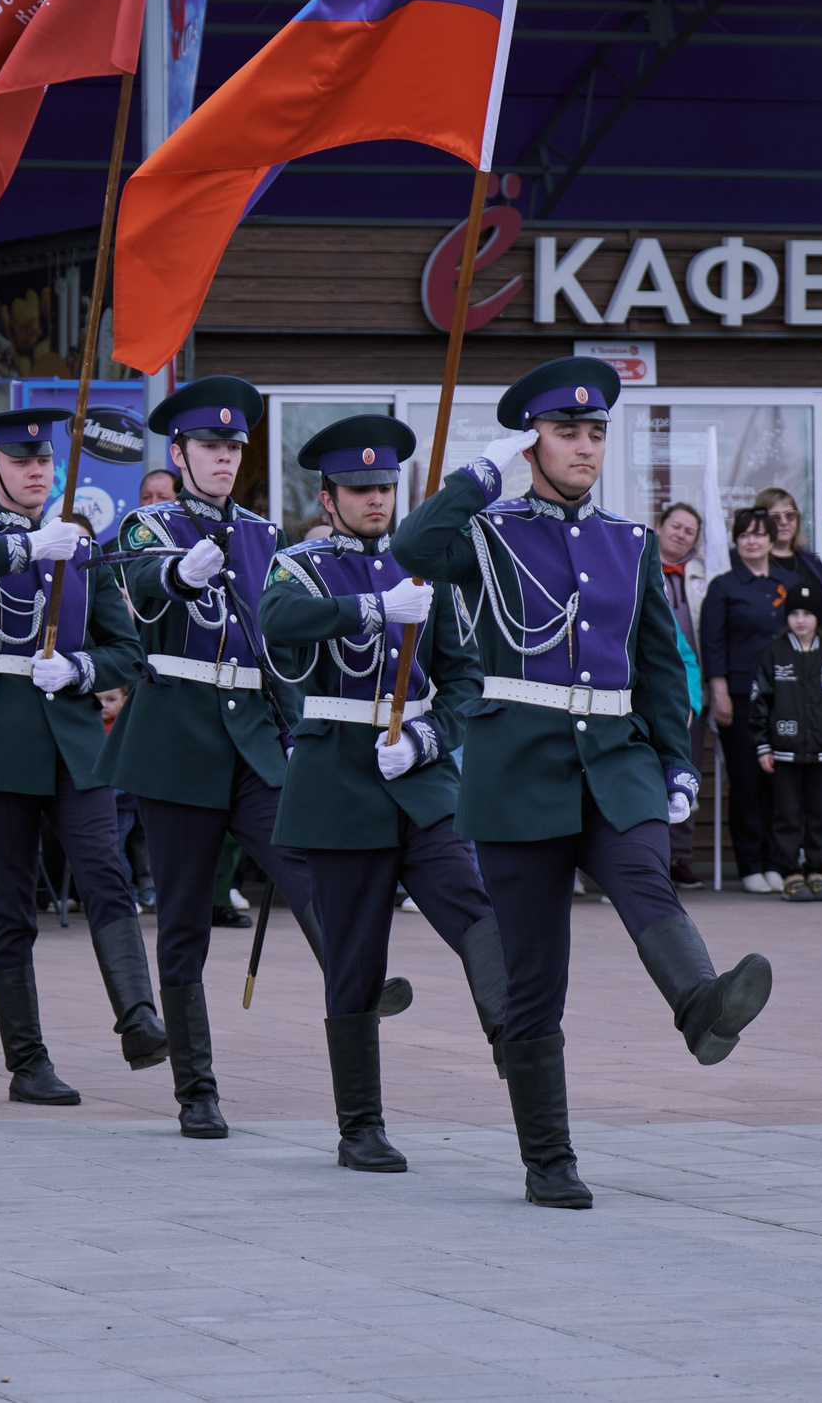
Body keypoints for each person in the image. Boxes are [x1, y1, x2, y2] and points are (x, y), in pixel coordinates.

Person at [392, 357, 769, 1210]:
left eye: (597, 432)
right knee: (534, 974)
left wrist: (674, 759)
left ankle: (702, 1005)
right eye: (568, 432)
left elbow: (658, 666)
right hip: (519, 763)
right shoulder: (486, 533)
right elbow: (413, 546)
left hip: (614, 755)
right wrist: (475, 477)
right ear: (533, 443)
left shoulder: (630, 543)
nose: (586, 447)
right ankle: (549, 1157)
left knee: (644, 876)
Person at [103, 379, 406, 1140]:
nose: (224, 458)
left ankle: (355, 974)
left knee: (304, 865)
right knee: (183, 922)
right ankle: (196, 1087)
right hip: (176, 731)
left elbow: (284, 645)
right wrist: (178, 572)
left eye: (234, 447)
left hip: (255, 731)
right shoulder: (151, 522)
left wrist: (303, 724)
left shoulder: (265, 535)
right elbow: (139, 582)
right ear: (179, 453)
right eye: (211, 446)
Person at [258, 414, 511, 1172]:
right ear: (328, 497)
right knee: (356, 958)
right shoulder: (300, 566)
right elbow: (276, 624)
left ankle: (513, 1040)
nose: (377, 499)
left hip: (420, 774)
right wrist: (371, 609)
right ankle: (359, 1125)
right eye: (361, 488)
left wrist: (431, 740)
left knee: (474, 906)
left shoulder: (425, 566)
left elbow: (464, 675)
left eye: (386, 487)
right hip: (338, 774)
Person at [0, 410, 162, 1106]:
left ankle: (139, 1018)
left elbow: (127, 649)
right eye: (19, 460)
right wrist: (29, 549)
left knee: (105, 873)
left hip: (72, 737)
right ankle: (27, 1061)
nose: (35, 469)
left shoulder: (81, 546)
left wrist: (84, 669)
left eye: (43, 460)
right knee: (10, 905)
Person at [744, 581, 822, 902]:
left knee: (818, 814)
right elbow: (759, 702)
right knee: (788, 814)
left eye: (808, 613)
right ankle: (790, 872)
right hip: (784, 752)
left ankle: (817, 870)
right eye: (794, 613)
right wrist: (763, 745)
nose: (801, 620)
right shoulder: (774, 653)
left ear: (818, 617)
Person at [700, 508, 787, 890]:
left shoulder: (790, 583)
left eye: (760, 534)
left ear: (772, 540)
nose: (752, 540)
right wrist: (720, 693)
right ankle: (750, 863)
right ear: (736, 541)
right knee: (747, 779)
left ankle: (776, 860)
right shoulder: (723, 587)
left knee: (781, 781)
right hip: (739, 696)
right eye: (745, 534)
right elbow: (712, 644)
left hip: (786, 697)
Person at [652, 501, 710, 886]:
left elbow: (687, 657)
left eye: (690, 531)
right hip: (633, 701)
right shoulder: (635, 567)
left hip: (682, 696)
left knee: (680, 778)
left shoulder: (701, 574)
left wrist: (690, 701)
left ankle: (678, 858)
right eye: (676, 526)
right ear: (659, 526)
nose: (681, 534)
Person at [751, 488, 822, 618]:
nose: (784, 522)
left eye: (790, 515)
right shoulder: (752, 562)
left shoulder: (812, 563)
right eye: (775, 518)